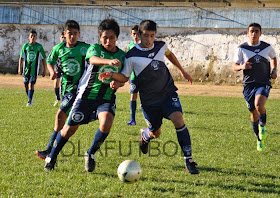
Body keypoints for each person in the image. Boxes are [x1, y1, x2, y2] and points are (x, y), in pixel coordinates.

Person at [99, 20, 199, 174]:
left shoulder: (161, 46)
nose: (149, 40)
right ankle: (145, 135)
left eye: (152, 36)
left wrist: (182, 71)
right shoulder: (131, 55)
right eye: (145, 36)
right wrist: (114, 79)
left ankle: (189, 160)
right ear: (138, 35)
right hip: (149, 101)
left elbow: (170, 55)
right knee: (156, 132)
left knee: (178, 119)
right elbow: (125, 77)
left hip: (167, 93)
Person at [44, 18, 126, 171]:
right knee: (69, 130)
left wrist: (116, 81)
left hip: (106, 97)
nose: (108, 41)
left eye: (111, 38)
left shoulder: (122, 56)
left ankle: (91, 153)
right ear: (100, 38)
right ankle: (52, 156)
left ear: (117, 37)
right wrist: (108, 63)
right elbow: (93, 60)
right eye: (105, 38)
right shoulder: (94, 49)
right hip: (86, 96)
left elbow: (124, 77)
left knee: (107, 122)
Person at [36, 20, 90, 160]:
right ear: (64, 34)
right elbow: (49, 61)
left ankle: (49, 150)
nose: (72, 37)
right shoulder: (59, 48)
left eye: (75, 34)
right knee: (67, 121)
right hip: (65, 88)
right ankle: (51, 149)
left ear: (79, 34)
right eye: (69, 34)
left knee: (60, 116)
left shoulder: (85, 48)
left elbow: (96, 56)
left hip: (78, 89)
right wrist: (52, 72)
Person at [233, 23, 277, 151]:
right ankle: (259, 140)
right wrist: (242, 67)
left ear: (260, 33)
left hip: (263, 82)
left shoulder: (266, 47)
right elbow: (234, 66)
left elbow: (274, 57)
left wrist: (274, 71)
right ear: (248, 33)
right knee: (253, 113)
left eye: (256, 31)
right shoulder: (242, 48)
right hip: (248, 85)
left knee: (259, 105)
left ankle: (262, 125)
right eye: (251, 31)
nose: (254, 34)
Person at [18, 30, 47, 106]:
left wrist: (44, 70)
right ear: (28, 37)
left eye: (34, 36)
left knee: (31, 84)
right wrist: (19, 68)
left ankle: (29, 101)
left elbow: (44, 58)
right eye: (31, 36)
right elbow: (21, 58)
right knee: (26, 85)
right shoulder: (25, 46)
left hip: (34, 70)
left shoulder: (39, 47)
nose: (33, 37)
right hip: (26, 69)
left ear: (36, 37)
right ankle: (29, 97)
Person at [126, 25, 140, 125]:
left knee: (145, 97)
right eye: (134, 34)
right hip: (133, 77)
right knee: (133, 96)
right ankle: (133, 119)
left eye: (138, 34)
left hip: (143, 76)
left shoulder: (144, 45)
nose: (136, 36)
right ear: (131, 34)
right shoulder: (130, 46)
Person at [53, 32, 66, 107]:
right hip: (58, 67)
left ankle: (63, 99)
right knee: (56, 82)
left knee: (62, 83)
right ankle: (58, 98)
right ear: (59, 38)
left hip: (65, 68)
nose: (63, 39)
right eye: (62, 37)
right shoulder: (57, 47)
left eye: (64, 37)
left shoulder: (67, 47)